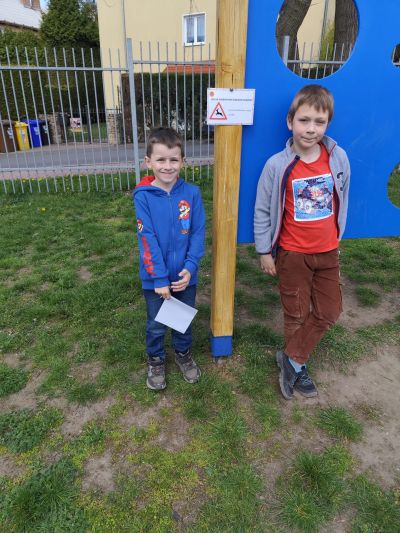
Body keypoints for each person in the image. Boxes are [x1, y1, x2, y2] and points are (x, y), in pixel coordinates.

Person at [254, 85, 350, 400]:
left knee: (329, 310)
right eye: (304, 120)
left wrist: (337, 235)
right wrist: (264, 251)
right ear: (290, 121)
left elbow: (343, 196)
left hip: (328, 251)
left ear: (327, 124)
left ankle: (291, 358)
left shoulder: (337, 158)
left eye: (319, 122)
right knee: (295, 312)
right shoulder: (277, 165)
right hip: (292, 254)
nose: (311, 129)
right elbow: (263, 210)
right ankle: (299, 366)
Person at [133, 127, 205, 390]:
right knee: (156, 324)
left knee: (181, 319)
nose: (167, 166)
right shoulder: (143, 196)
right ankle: (156, 359)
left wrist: (190, 267)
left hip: (184, 276)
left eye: (174, 159)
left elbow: (197, 232)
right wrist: (159, 278)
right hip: (156, 278)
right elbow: (147, 238)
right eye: (160, 159)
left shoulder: (192, 193)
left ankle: (183, 354)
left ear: (183, 161)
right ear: (148, 161)